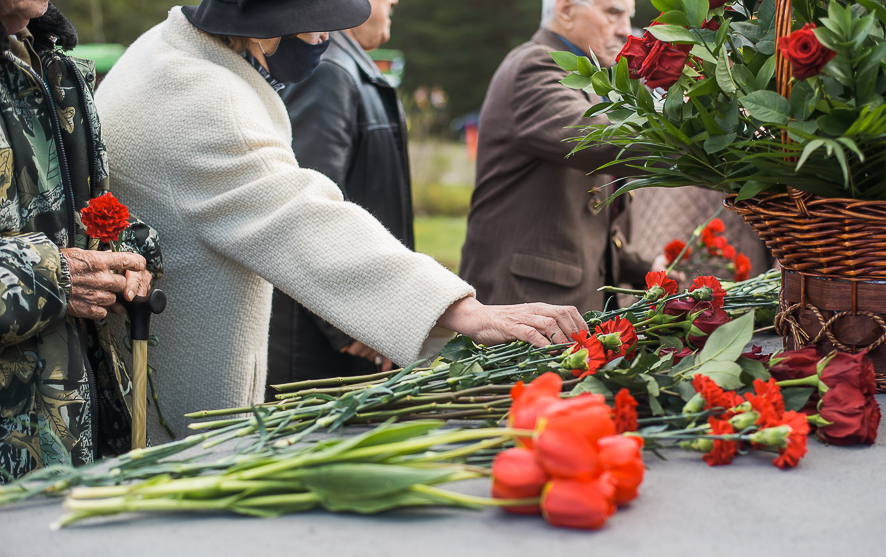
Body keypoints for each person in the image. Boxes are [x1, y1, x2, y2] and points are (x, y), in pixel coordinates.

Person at [94, 0, 587, 445]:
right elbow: (305, 218)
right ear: (268, 25)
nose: (326, 39)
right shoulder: (205, 99)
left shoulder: (164, 48)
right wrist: (462, 311)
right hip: (174, 395)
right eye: (315, 24)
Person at [0, 1, 163, 483]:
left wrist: (131, 251)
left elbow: (65, 216)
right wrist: (52, 277)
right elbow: (52, 260)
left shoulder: (52, 62)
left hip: (75, 445)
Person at [459, 0, 652, 312]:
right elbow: (600, 141)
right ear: (565, 10)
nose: (625, 31)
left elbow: (585, 225)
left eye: (629, 16)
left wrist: (646, 266)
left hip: (556, 307)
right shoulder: (533, 65)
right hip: (521, 305)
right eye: (613, 13)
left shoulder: (586, 77)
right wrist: (702, 144)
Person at [267, 0, 405, 390]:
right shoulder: (326, 69)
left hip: (350, 327)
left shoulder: (346, 65)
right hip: (320, 349)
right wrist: (349, 323)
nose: (394, 1)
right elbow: (305, 208)